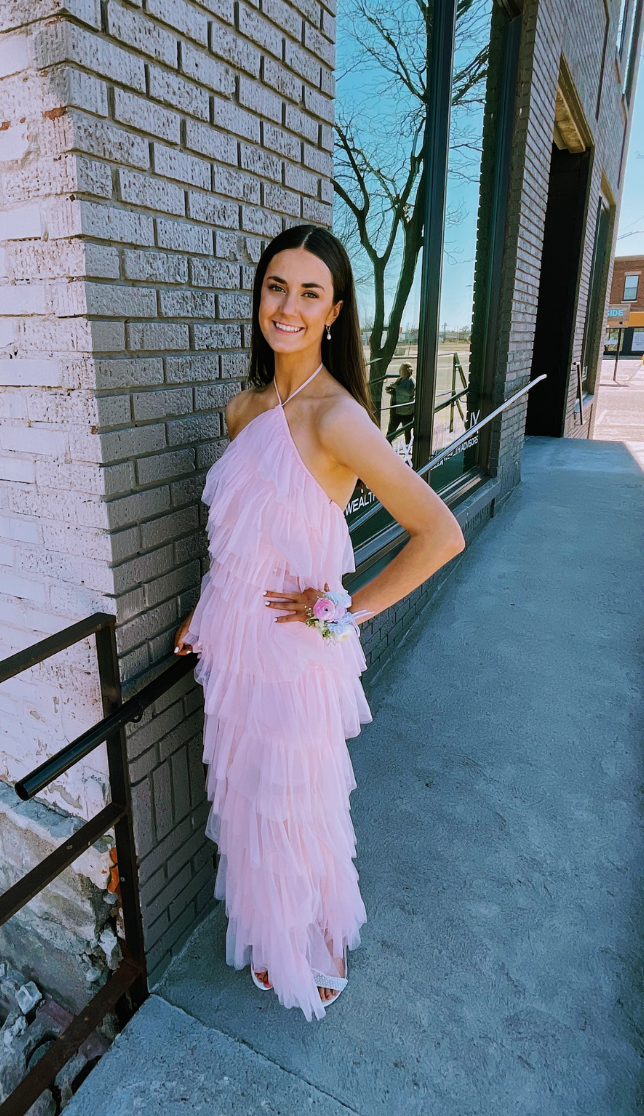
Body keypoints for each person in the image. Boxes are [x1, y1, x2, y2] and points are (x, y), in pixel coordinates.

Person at [173, 225, 464, 1022]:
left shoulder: (338, 417)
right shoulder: (243, 409)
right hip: (234, 644)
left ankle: (316, 937)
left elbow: (441, 533)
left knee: (294, 800)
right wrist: (206, 606)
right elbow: (240, 535)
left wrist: (344, 609)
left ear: (334, 310)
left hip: (299, 651)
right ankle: (274, 930)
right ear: (258, 296)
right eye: (276, 286)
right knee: (245, 799)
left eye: (309, 292)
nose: (289, 306)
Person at [385, 362, 416, 443]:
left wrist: (396, 387)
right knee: (391, 430)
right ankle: (387, 445)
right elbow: (397, 392)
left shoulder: (411, 381)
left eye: (401, 370)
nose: (400, 371)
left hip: (406, 411)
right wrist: (390, 391)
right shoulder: (399, 380)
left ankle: (407, 448)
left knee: (407, 431)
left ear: (407, 371)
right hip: (396, 410)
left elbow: (408, 393)